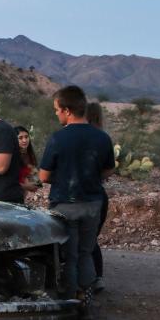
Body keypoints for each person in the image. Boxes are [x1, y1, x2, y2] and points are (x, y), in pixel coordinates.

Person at [38, 86, 115, 299]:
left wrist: (62, 177)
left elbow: (44, 176)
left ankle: (71, 303)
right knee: (86, 253)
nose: (56, 113)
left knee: (69, 257)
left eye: (57, 109)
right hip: (92, 203)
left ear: (67, 110)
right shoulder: (102, 137)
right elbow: (109, 169)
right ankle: (86, 300)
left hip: (65, 205)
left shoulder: (58, 138)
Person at [85, 102, 109, 291]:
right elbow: (109, 169)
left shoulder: (77, 137)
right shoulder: (103, 138)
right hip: (98, 194)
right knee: (92, 239)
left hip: (81, 194)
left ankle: (83, 281)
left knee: (81, 240)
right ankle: (97, 277)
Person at [15, 126, 40, 193]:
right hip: (10, 195)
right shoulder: (12, 157)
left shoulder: (29, 155)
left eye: (26, 137)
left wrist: (36, 183)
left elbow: (36, 180)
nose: (24, 140)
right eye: (20, 138)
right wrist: (26, 186)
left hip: (22, 196)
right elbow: (8, 182)